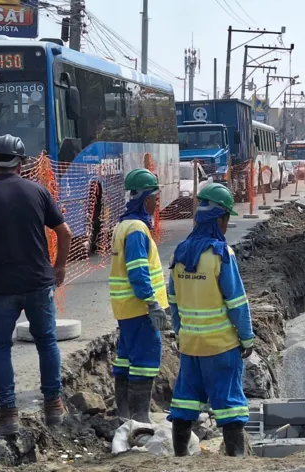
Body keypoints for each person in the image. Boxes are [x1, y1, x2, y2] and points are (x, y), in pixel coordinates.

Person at [0, 134, 71, 436]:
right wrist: (60, 267)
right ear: (21, 163)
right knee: (47, 341)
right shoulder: (38, 191)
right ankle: (54, 406)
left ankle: (8, 414)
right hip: (39, 282)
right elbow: (64, 232)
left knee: (0, 347)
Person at [167, 184, 254, 457]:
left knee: (184, 401)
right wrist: (247, 338)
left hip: (191, 345)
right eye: (227, 218)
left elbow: (173, 301)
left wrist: (181, 333)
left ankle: (180, 458)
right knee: (230, 406)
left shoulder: (180, 253)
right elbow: (237, 302)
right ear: (220, 219)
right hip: (221, 346)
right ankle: (235, 460)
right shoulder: (220, 254)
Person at [109, 168, 168, 423]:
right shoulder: (136, 230)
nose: (157, 203)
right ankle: (140, 418)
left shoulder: (124, 225)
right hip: (139, 308)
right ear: (145, 200)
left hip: (126, 309)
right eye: (155, 198)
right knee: (145, 359)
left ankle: (124, 414)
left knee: (126, 357)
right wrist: (152, 303)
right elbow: (138, 271)